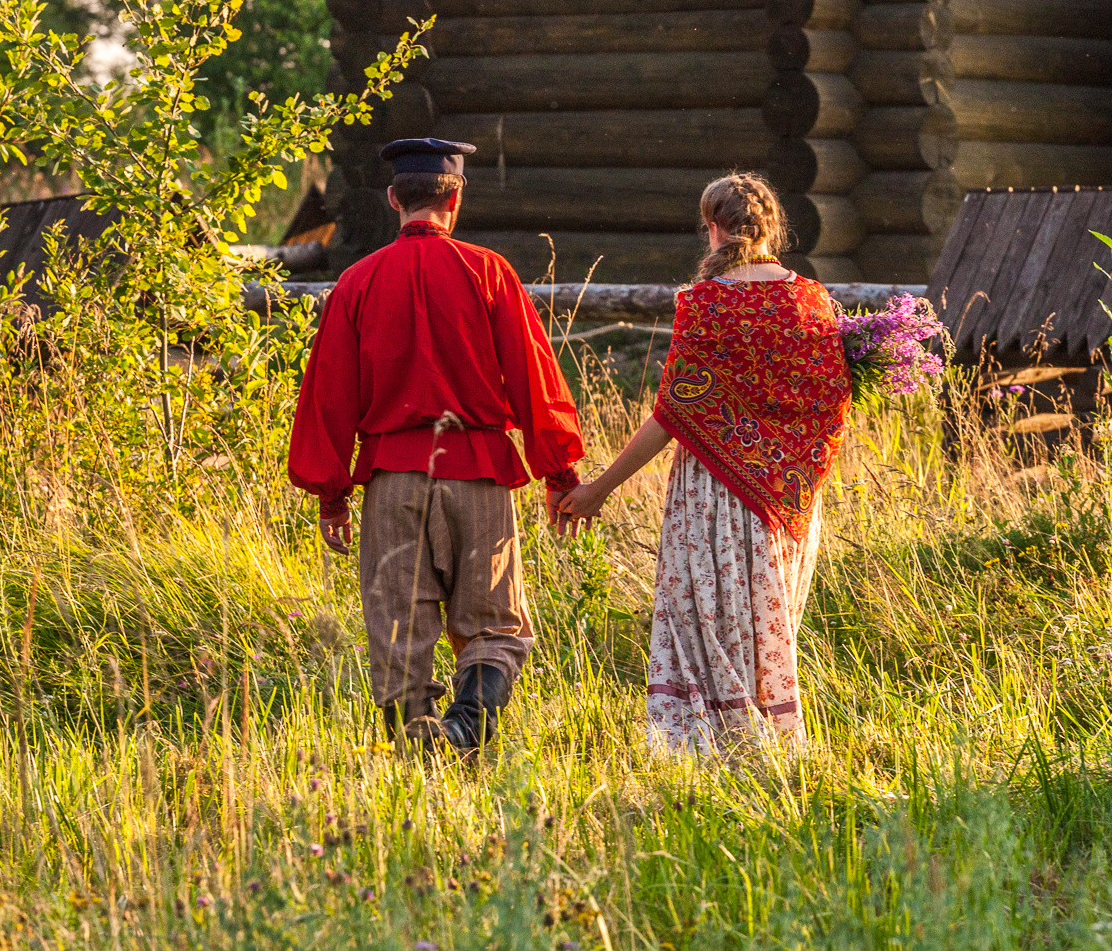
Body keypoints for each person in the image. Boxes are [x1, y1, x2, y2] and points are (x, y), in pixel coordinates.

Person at [288, 137, 584, 755]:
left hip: (394, 482)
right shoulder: (489, 272)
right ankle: (465, 728)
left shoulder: (357, 282)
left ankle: (421, 758)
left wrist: (331, 496)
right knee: (495, 628)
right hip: (478, 475)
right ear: (456, 200)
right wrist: (558, 474)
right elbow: (535, 377)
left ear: (395, 198)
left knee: (399, 635)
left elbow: (327, 397)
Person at [558, 173, 850, 750]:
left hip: (713, 493)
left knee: (707, 625)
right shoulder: (812, 299)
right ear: (769, 230)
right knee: (765, 626)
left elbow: (673, 412)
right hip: (786, 502)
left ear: (713, 228)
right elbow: (831, 397)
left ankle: (712, 749)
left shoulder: (707, 303)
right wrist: (790, 474)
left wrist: (600, 487)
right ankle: (765, 743)